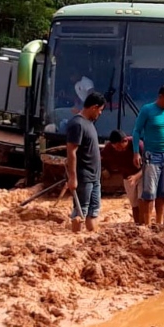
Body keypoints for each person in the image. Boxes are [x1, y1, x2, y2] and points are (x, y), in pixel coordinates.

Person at [132, 85, 164, 225]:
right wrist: (136, 152)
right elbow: (136, 131)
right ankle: (147, 224)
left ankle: (159, 223)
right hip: (152, 155)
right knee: (149, 193)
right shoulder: (147, 110)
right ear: (160, 97)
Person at [65, 92, 106, 233]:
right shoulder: (77, 124)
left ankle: (90, 238)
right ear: (94, 107)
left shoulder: (89, 123)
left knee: (93, 211)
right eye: (100, 110)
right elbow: (71, 151)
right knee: (80, 211)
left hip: (94, 177)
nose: (100, 114)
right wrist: (72, 177)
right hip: (83, 177)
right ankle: (75, 239)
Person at [101, 129, 145, 223]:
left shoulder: (138, 145)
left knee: (143, 200)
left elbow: (149, 165)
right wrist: (103, 169)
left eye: (120, 147)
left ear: (125, 140)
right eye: (116, 148)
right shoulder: (109, 148)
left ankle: (145, 223)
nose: (119, 150)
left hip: (142, 174)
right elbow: (100, 158)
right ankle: (137, 224)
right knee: (134, 204)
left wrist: (136, 176)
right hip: (127, 177)